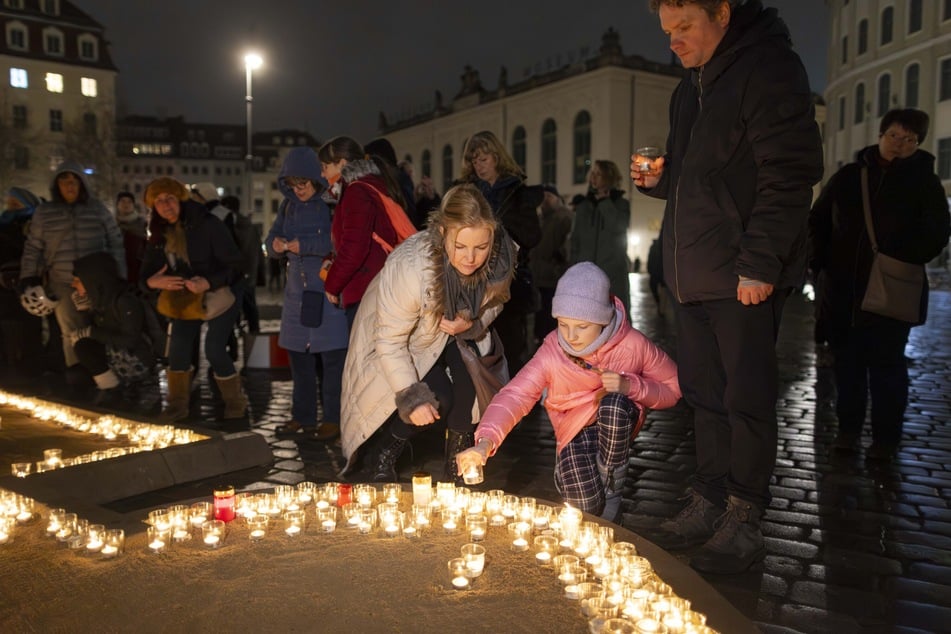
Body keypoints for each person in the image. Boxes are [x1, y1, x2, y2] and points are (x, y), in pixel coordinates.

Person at [633, 0, 823, 574]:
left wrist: (760, 264)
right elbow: (703, 182)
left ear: (723, 11)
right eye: (667, 32)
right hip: (693, 274)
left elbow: (789, 173)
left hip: (742, 273)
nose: (674, 42)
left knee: (746, 399)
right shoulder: (688, 88)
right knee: (705, 397)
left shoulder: (769, 68)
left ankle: (744, 514)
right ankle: (709, 497)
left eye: (685, 27)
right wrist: (661, 182)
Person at [456, 263, 681, 521]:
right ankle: (583, 480)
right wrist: (485, 442)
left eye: (582, 327)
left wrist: (632, 386)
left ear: (603, 319)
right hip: (574, 430)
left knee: (614, 405)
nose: (571, 336)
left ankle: (613, 484)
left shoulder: (633, 344)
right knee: (585, 504)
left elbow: (674, 387)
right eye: (563, 324)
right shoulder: (553, 351)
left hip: (615, 422)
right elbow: (516, 395)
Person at [339, 184, 516, 483]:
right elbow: (391, 340)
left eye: (480, 247)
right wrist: (411, 398)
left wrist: (471, 322)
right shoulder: (411, 268)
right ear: (443, 232)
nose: (471, 258)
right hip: (411, 337)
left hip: (457, 332)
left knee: (468, 385)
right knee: (435, 400)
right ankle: (384, 451)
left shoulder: (501, 258)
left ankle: (458, 466)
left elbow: (496, 302)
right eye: (460, 246)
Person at [809, 108, 950, 461]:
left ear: (918, 143)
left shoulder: (924, 182)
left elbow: (937, 232)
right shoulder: (849, 177)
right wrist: (818, 264)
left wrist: (898, 256)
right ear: (880, 134)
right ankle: (848, 431)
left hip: (892, 291)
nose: (899, 145)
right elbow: (819, 222)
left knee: (888, 369)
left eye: (909, 140)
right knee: (848, 368)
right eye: (894, 136)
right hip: (844, 291)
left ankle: (886, 440)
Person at [140, 177, 246, 422]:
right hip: (184, 298)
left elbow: (237, 265)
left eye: (169, 198)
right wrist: (152, 282)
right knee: (177, 350)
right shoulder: (157, 232)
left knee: (215, 349)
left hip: (220, 293)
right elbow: (145, 274)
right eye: (158, 201)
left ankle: (235, 402)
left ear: (180, 199)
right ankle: (177, 406)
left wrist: (208, 282)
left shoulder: (208, 223)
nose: (165, 205)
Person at [266, 147, 349, 442]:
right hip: (296, 297)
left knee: (332, 363)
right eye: (292, 185)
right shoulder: (287, 207)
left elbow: (339, 239)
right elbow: (270, 237)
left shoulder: (332, 203)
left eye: (303, 183)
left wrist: (306, 245)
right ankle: (301, 416)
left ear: (316, 179)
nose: (298, 190)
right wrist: (273, 245)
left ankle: (332, 418)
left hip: (328, 295)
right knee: (299, 363)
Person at [19, 161, 126, 374]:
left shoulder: (98, 209)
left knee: (101, 329)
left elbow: (115, 242)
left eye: (75, 181)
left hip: (98, 284)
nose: (70, 186)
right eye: (65, 180)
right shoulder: (45, 212)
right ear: (56, 184)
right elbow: (33, 247)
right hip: (64, 281)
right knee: (71, 332)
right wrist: (28, 276)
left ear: (83, 184)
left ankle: (106, 375)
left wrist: (120, 276)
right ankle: (78, 373)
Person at [461, 130, 542, 373]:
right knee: (476, 351)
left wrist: (499, 229)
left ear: (496, 157)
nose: (478, 166)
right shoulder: (467, 192)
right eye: (474, 161)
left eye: (483, 159)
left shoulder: (517, 192)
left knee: (511, 348)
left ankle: (514, 405)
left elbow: (533, 235)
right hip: (473, 282)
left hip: (510, 283)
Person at [319, 136, 407, 327]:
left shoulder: (356, 192)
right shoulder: (368, 185)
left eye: (325, 166)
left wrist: (333, 284)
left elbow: (355, 247)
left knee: (366, 355)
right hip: (374, 288)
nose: (322, 174)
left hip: (367, 292)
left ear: (342, 163)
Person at [69, 252, 156, 406]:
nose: (73, 285)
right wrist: (84, 312)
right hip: (112, 354)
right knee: (75, 375)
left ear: (93, 280)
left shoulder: (124, 300)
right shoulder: (98, 299)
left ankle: (115, 391)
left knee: (84, 348)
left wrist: (92, 333)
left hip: (133, 358)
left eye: (78, 281)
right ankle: (111, 388)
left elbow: (130, 339)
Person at [571, 160, 632, 318]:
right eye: (593, 173)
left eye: (598, 173)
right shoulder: (584, 206)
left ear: (609, 177)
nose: (593, 177)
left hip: (613, 275)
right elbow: (575, 239)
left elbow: (619, 226)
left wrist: (605, 202)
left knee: (617, 317)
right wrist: (573, 266)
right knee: (587, 319)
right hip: (586, 275)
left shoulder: (621, 204)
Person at [531, 183, 573, 343]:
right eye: (543, 197)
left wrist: (558, 266)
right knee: (541, 313)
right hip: (540, 277)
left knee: (552, 314)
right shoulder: (541, 218)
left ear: (557, 198)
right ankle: (541, 341)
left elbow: (567, 247)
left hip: (555, 278)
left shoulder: (564, 217)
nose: (545, 200)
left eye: (549, 196)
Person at [222, 195, 262, 333]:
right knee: (250, 307)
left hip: (235, 274)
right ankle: (254, 339)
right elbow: (257, 251)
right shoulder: (249, 225)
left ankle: (236, 345)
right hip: (249, 272)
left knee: (232, 310)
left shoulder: (230, 224)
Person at [115, 191, 147, 285]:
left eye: (129, 202)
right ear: (117, 204)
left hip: (137, 268)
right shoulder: (111, 225)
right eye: (123, 201)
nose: (126, 204)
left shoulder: (142, 224)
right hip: (118, 268)